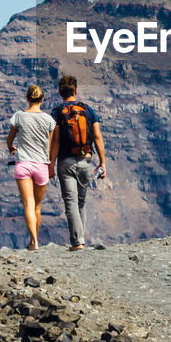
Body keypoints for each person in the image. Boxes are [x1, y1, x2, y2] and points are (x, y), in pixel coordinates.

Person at [48, 74, 106, 251]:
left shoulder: (57, 112)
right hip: (86, 161)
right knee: (81, 201)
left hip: (65, 162)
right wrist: (102, 163)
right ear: (76, 90)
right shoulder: (88, 110)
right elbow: (97, 136)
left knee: (70, 202)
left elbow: (55, 141)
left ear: (60, 92)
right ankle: (79, 240)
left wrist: (50, 165)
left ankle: (77, 242)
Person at [5, 84, 56, 250]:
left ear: (27, 99)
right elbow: (50, 144)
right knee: (37, 206)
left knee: (28, 204)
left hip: (23, 165)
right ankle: (35, 239)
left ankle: (34, 241)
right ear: (42, 100)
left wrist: (11, 148)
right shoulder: (49, 120)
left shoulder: (19, 116)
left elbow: (9, 139)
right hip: (41, 165)